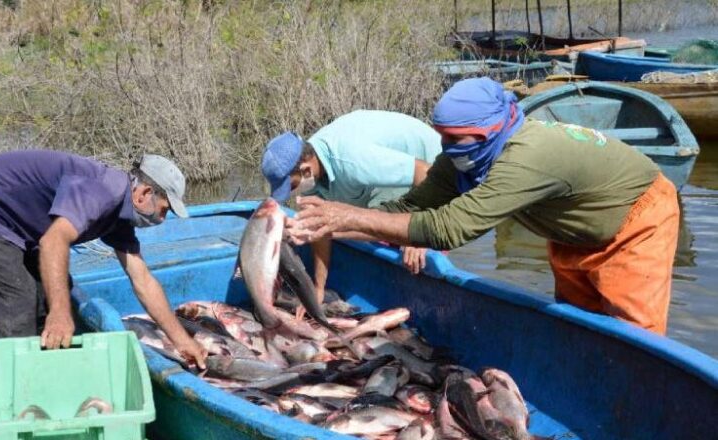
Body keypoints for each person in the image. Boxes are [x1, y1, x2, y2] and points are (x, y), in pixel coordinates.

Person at [287, 78, 679, 335]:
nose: (448, 148)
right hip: (571, 230)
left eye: (459, 139)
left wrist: (348, 215)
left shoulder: (523, 157)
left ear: (493, 130)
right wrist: (327, 226)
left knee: (634, 338)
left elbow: (453, 228)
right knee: (582, 328)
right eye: (443, 138)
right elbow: (408, 207)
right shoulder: (459, 157)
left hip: (635, 222)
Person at [0, 150, 207, 367]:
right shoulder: (100, 192)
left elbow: (143, 280)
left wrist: (181, 339)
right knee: (18, 308)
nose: (162, 219)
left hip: (17, 225)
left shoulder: (120, 217)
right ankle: (16, 408)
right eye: (164, 210)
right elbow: (53, 241)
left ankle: (48, 377)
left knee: (52, 298)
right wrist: (59, 313)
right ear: (144, 194)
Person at [261, 110, 442, 306]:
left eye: (292, 186)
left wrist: (422, 233)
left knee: (417, 252)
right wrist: (318, 287)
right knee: (380, 231)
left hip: (432, 169)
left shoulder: (353, 160)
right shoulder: (311, 170)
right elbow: (319, 232)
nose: (293, 193)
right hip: (385, 181)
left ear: (306, 170)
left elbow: (424, 173)